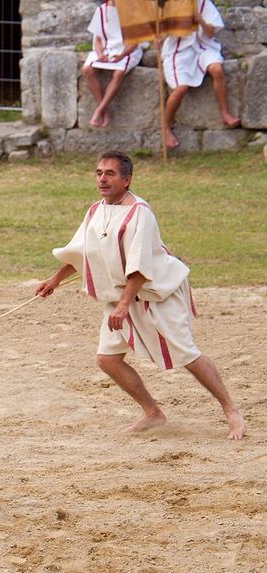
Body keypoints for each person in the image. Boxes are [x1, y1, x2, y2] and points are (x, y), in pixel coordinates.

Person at [36, 151, 247, 440]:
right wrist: (55, 280)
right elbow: (82, 252)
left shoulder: (140, 213)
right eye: (99, 173)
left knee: (187, 354)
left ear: (127, 179)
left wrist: (123, 306)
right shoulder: (96, 211)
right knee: (107, 359)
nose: (102, 179)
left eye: (110, 174)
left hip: (156, 295)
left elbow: (139, 267)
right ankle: (152, 413)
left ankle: (231, 410)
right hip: (121, 298)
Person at [161, 0, 241, 149]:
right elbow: (162, 33)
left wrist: (201, 21)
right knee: (181, 88)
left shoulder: (205, 4)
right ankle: (165, 127)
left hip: (205, 47)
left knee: (217, 69)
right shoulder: (170, 4)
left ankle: (225, 114)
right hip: (179, 51)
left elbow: (210, 34)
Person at [82, 0, 144, 128]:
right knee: (87, 69)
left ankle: (99, 111)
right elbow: (97, 40)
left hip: (127, 51)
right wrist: (100, 54)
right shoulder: (101, 10)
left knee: (119, 73)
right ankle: (103, 108)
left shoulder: (133, 11)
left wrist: (121, 55)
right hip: (106, 50)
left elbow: (134, 43)